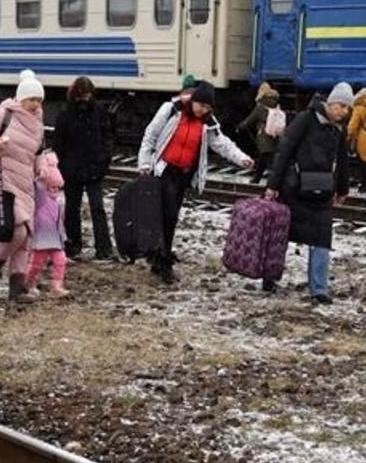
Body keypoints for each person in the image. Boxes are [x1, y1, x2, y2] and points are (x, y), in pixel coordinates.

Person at [138, 80, 254, 284]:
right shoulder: (171, 110)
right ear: (193, 101)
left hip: (183, 175)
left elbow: (222, 144)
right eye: (202, 106)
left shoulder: (207, 122)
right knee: (167, 214)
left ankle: (159, 255)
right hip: (164, 170)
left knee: (169, 217)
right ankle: (163, 262)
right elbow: (150, 136)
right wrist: (145, 164)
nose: (204, 110)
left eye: (208, 108)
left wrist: (241, 158)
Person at [263, 82, 353, 303]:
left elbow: (341, 160)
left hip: (322, 192)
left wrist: (342, 188)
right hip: (294, 189)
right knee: (282, 235)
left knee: (322, 239)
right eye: (341, 105)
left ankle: (319, 290)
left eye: (348, 108)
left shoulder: (338, 129)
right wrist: (273, 185)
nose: (344, 111)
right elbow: (285, 151)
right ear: (330, 103)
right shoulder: (305, 119)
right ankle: (270, 276)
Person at [0, 69, 46, 303]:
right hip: (2, 179)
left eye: (38, 100)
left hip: (26, 183)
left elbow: (37, 151)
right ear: (20, 98)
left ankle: (17, 287)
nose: (35, 104)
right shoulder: (4, 114)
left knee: (26, 235)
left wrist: (42, 168)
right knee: (17, 230)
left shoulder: (38, 122)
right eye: (31, 99)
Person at [50, 76, 115, 260]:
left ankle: (95, 247)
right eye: (82, 96)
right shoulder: (71, 114)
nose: (84, 100)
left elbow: (107, 137)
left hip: (87, 168)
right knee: (77, 208)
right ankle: (78, 245)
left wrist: (104, 159)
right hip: (77, 169)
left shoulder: (72, 113)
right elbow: (58, 144)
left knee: (92, 208)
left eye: (86, 95)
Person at [26, 152, 70, 298]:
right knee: (36, 264)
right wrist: (41, 176)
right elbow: (37, 187)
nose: (55, 191)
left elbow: (59, 222)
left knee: (61, 260)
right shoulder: (41, 199)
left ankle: (56, 285)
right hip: (41, 238)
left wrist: (62, 237)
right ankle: (28, 282)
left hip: (55, 239)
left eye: (58, 188)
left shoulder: (59, 203)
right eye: (52, 187)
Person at [236, 81, 282, 184]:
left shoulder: (260, 106)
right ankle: (260, 178)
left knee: (265, 158)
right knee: (269, 158)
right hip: (275, 135)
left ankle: (262, 179)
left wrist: (240, 127)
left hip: (264, 136)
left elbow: (250, 120)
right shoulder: (276, 104)